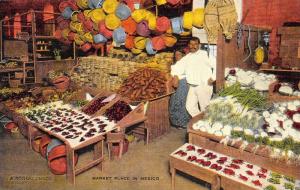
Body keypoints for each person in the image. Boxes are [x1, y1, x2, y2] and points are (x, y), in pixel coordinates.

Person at [172, 37, 216, 118]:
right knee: (190, 107)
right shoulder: (188, 57)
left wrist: (213, 77)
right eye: (191, 44)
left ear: (199, 45)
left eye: (195, 44)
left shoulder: (205, 54)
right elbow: (177, 67)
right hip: (192, 86)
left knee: (205, 108)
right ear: (188, 45)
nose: (193, 46)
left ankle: (207, 126)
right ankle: (200, 121)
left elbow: (217, 65)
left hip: (204, 85)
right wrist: (175, 75)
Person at [169, 49, 191, 129]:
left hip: (182, 83)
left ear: (183, 55)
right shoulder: (175, 64)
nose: (177, 56)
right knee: (174, 101)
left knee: (181, 102)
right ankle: (176, 122)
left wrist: (176, 77)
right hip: (176, 83)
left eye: (179, 54)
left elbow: (183, 74)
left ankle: (183, 123)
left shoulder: (185, 63)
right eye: (176, 54)